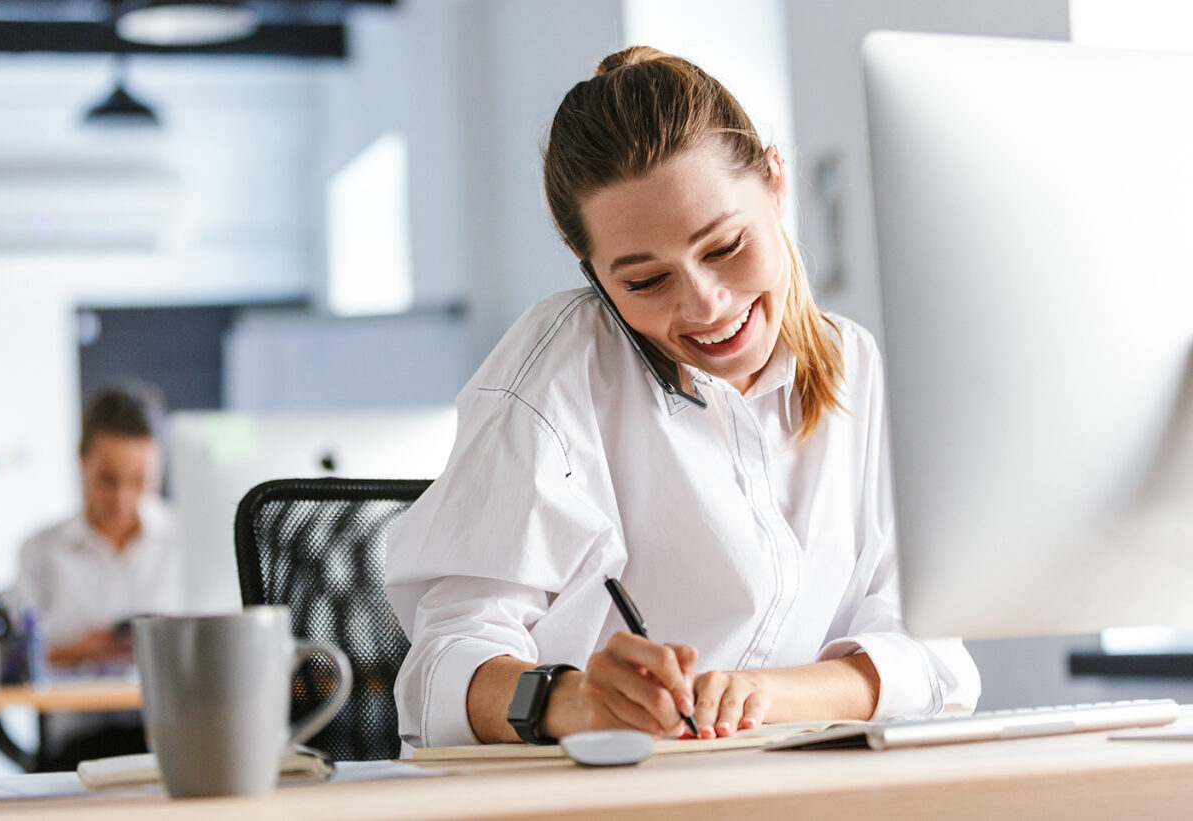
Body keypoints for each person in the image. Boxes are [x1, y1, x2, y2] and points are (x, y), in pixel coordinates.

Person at [384, 46, 980, 750]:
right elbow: (439, 675)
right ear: (595, 272)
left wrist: (764, 694)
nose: (706, 304)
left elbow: (934, 659)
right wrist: (570, 701)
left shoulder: (855, 368)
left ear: (776, 184)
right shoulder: (557, 372)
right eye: (644, 280)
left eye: (725, 246)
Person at [9, 382, 181, 767]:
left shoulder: (186, 541)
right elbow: (3, 667)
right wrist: (73, 652)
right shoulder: (42, 551)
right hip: (78, 747)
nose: (123, 498)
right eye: (107, 479)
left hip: (173, 736)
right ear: (81, 461)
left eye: (141, 481)